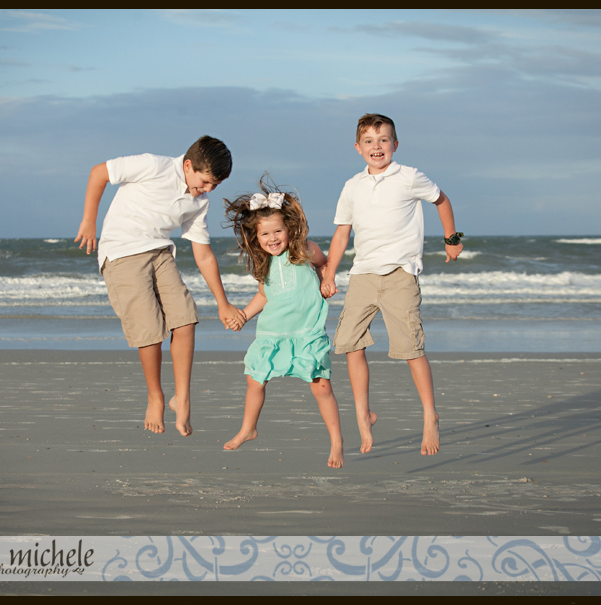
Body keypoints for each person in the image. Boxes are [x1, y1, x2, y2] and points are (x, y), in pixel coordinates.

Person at [75, 135, 246, 438]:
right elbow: (99, 172)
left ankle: (182, 397)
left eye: (214, 186)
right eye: (205, 182)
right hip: (122, 252)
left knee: (186, 317)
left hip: (160, 252)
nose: (206, 190)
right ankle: (155, 397)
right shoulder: (153, 166)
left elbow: (203, 255)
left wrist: (223, 302)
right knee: (150, 330)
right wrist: (90, 221)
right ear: (189, 165)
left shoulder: (198, 202)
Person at [320, 114, 463, 456]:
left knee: (410, 348)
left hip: (400, 274)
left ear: (395, 145)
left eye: (384, 140)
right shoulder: (352, 185)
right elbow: (342, 233)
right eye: (369, 141)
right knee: (349, 343)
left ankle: (430, 415)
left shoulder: (410, 177)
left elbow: (442, 200)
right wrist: (329, 273)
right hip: (363, 274)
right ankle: (363, 412)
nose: (377, 147)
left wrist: (452, 239)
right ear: (358, 148)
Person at [222, 179, 344, 468]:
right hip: (272, 332)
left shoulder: (305, 249)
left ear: (289, 228)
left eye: (278, 231)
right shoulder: (263, 263)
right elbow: (264, 295)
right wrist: (243, 315)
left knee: (321, 386)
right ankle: (248, 428)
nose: (273, 238)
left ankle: (336, 441)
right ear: (256, 236)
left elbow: (325, 265)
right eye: (265, 234)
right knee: (255, 379)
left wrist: (328, 280)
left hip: (306, 331)